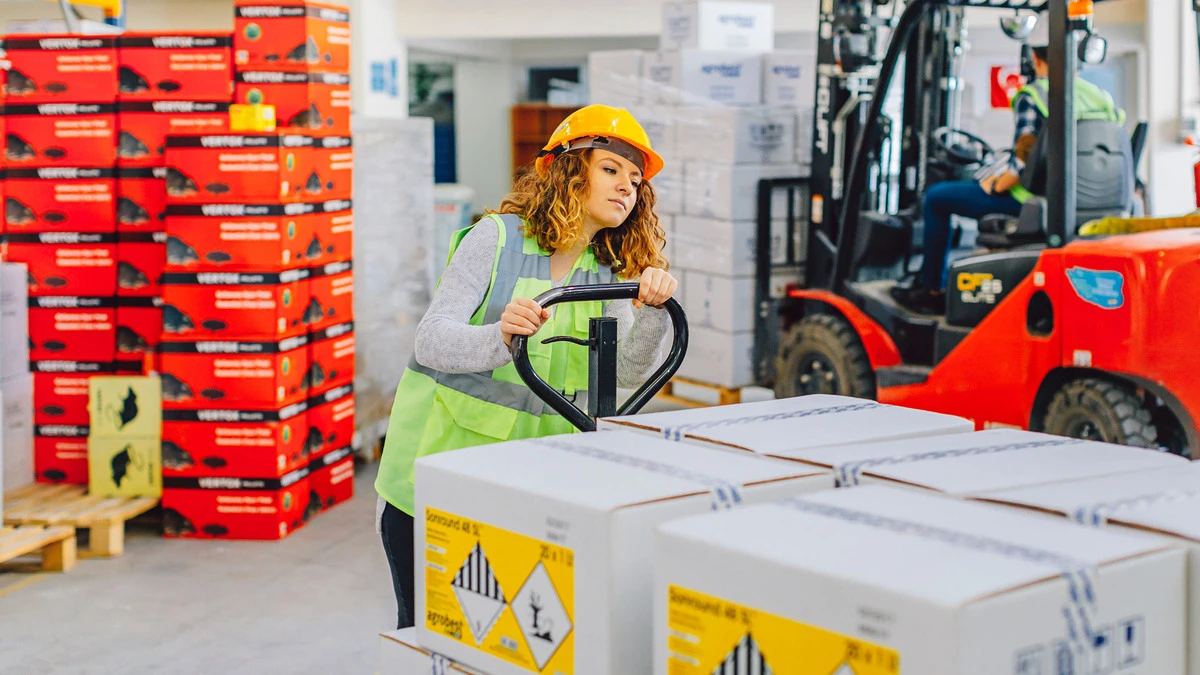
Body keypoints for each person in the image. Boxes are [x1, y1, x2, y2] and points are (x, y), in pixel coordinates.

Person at [374, 104, 678, 629]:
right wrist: (499, 337)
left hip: (531, 487)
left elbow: (628, 372)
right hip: (437, 481)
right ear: (567, 169)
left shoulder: (604, 271)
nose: (626, 187)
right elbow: (431, 341)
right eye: (610, 169)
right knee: (429, 633)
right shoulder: (495, 239)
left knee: (507, 637)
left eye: (635, 179)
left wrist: (650, 314)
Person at [891, 46, 1124, 314]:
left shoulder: (1035, 94)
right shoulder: (1098, 97)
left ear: (1036, 59)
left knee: (937, 198)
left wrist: (997, 183)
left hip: (1034, 203)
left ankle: (931, 288)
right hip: (1084, 205)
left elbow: (1024, 152)